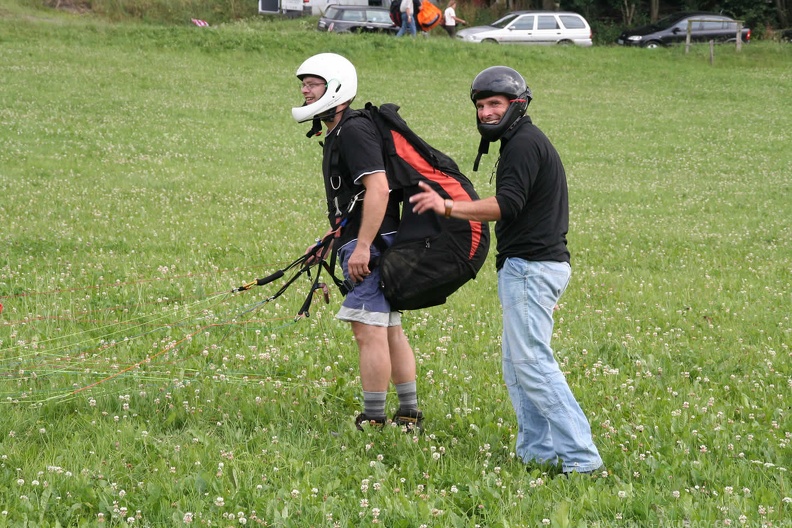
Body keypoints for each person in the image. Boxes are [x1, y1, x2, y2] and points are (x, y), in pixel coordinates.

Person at [409, 66, 604, 475]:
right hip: (528, 266)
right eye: (481, 105)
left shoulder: (524, 144)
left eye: (494, 103)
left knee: (531, 363)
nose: (486, 112)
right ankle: (537, 451)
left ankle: (582, 459)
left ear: (517, 105)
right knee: (517, 366)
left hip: (533, 268)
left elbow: (507, 205)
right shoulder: (519, 142)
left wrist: (448, 207)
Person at [291, 53, 423, 432]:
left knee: (368, 329)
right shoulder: (342, 129)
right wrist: (331, 242)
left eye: (313, 83)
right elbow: (354, 200)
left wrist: (362, 246)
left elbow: (378, 188)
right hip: (377, 237)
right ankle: (408, 414)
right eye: (304, 83)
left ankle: (374, 420)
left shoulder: (352, 130)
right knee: (389, 327)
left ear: (335, 88)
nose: (305, 89)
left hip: (374, 244)